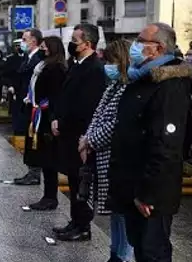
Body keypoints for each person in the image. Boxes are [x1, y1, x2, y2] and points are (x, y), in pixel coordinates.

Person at [109, 23, 191, 262]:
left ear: (157, 48)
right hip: (132, 184)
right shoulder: (143, 78)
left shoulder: (169, 84)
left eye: (140, 40)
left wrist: (148, 195)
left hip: (151, 193)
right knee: (141, 248)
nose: (134, 45)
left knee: (153, 251)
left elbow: (165, 145)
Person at [78, 40, 134, 262]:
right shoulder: (113, 86)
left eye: (111, 61)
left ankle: (124, 255)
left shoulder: (128, 88)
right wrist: (86, 138)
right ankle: (115, 252)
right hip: (103, 156)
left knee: (123, 212)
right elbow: (98, 116)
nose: (107, 66)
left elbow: (114, 124)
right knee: (114, 211)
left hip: (115, 156)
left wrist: (90, 141)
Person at [51, 23, 106, 241]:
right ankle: (75, 221)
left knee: (82, 183)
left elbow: (86, 107)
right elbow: (65, 97)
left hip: (81, 136)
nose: (71, 45)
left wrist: (64, 125)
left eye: (75, 41)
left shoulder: (94, 69)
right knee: (74, 181)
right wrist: (56, 118)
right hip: (68, 132)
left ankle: (83, 226)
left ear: (88, 44)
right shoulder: (77, 64)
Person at [24, 36, 67, 211]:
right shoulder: (42, 66)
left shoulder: (55, 68)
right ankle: (47, 195)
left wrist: (50, 113)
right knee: (43, 156)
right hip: (39, 113)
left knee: (49, 158)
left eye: (44, 47)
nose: (42, 50)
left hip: (48, 116)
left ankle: (50, 197)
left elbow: (55, 94)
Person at [13, 29, 45, 186]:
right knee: (28, 138)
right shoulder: (27, 57)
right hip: (25, 103)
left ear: (33, 41)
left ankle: (34, 173)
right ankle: (31, 171)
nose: (22, 42)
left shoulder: (39, 58)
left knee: (33, 139)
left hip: (33, 106)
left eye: (25, 39)